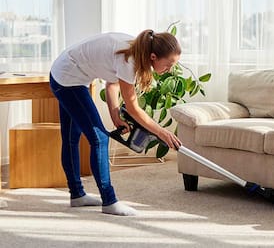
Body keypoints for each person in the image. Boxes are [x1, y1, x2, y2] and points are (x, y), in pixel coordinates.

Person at [49, 29, 182, 216]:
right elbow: (134, 109)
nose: (170, 69)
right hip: (68, 79)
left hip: (66, 74)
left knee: (72, 138)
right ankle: (109, 201)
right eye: (169, 65)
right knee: (99, 139)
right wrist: (162, 132)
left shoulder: (135, 49)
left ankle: (77, 195)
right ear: (153, 56)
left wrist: (114, 113)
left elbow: (112, 83)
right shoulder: (130, 60)